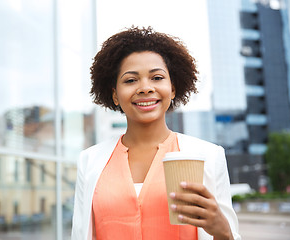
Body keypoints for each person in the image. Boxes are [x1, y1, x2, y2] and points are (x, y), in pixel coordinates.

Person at [71, 26, 241, 240]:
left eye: (157, 78)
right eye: (131, 80)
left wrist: (223, 231)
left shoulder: (209, 156)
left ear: (173, 89)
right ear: (115, 95)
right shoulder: (90, 161)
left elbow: (227, 236)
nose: (145, 88)